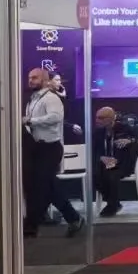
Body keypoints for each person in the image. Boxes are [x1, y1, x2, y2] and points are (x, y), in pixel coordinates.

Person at [22, 67, 82, 238]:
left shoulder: (51, 98)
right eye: (29, 77)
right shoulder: (33, 99)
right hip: (36, 148)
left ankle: (32, 225)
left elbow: (56, 117)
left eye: (35, 77)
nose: (31, 80)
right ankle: (71, 218)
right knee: (43, 186)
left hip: (50, 148)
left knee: (43, 185)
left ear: (45, 79)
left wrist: (31, 121)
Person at [91, 106, 138, 217]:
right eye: (96, 117)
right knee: (94, 175)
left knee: (111, 175)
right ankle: (114, 203)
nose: (97, 121)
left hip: (122, 164)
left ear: (110, 119)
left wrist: (130, 140)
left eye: (101, 118)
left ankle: (112, 205)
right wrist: (101, 158)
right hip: (104, 164)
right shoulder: (98, 132)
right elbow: (93, 150)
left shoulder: (124, 128)